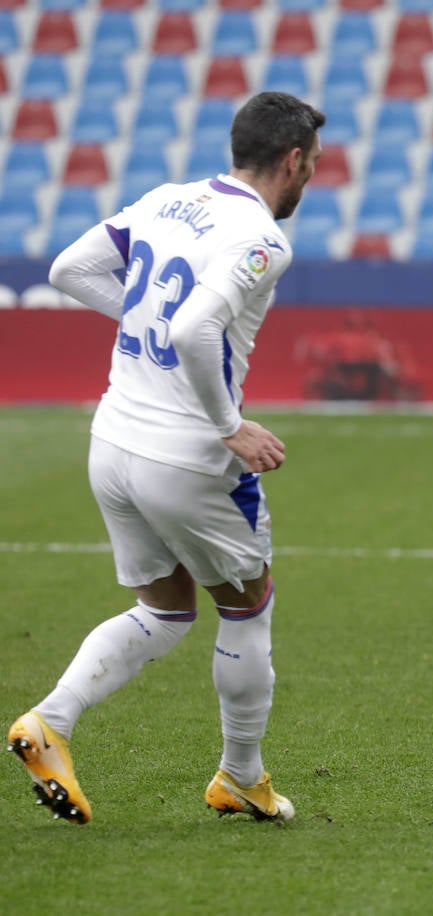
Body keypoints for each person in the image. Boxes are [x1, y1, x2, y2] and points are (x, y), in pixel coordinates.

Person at [7, 91, 325, 823]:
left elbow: (68, 270)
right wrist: (229, 425)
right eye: (311, 165)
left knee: (165, 607)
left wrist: (140, 315)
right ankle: (240, 775)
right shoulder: (264, 238)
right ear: (291, 160)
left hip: (113, 439)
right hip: (185, 456)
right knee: (248, 607)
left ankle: (50, 721)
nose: (309, 179)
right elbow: (191, 332)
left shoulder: (166, 200)